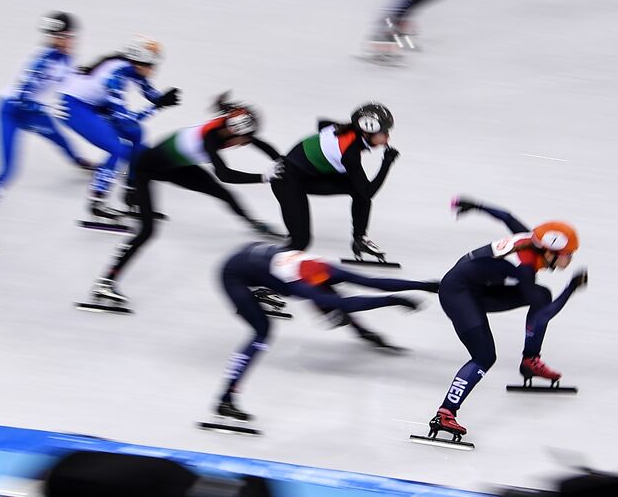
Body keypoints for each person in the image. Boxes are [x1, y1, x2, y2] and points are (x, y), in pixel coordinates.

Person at [88, 93, 283, 309]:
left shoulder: (231, 125)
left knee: (225, 195)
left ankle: (254, 224)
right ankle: (105, 283)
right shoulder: (211, 138)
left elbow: (259, 142)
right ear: (232, 131)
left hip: (177, 165)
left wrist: (281, 162)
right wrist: (264, 177)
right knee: (147, 232)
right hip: (148, 169)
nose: (245, 143)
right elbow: (225, 174)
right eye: (244, 139)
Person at [211, 242, 438, 425]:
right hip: (234, 274)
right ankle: (226, 398)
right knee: (263, 332)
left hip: (260, 257)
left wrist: (423, 285)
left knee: (334, 306)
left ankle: (362, 333)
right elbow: (343, 303)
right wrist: (393, 300)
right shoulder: (300, 285)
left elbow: (372, 282)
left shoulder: (326, 269)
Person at [426, 196, 586, 442]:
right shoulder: (525, 269)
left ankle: (530, 361)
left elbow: (506, 216)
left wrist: (473, 204)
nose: (570, 259)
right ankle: (445, 412)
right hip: (458, 295)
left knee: (541, 295)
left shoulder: (530, 238)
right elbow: (543, 316)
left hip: (476, 287)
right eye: (567, 254)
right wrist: (571, 288)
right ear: (548, 251)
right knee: (484, 356)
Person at [0, 12, 93, 245]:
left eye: (68, 36)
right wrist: (43, 109)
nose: (66, 41)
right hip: (10, 111)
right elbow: (21, 97)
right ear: (52, 37)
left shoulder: (66, 59)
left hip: (33, 111)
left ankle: (80, 162)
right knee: (7, 170)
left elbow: (69, 83)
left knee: (59, 137)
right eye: (60, 37)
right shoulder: (43, 60)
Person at [60, 35, 181, 222]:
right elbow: (124, 120)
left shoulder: (132, 67)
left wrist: (161, 98)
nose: (153, 69)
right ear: (138, 62)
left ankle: (131, 193)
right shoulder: (115, 76)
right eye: (151, 65)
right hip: (73, 106)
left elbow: (148, 91)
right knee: (117, 148)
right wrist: (157, 106)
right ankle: (96, 202)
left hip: (93, 104)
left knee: (138, 135)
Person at [272, 102, 399, 258]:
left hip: (308, 174)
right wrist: (386, 164)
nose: (388, 137)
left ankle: (360, 240)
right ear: (366, 133)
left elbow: (322, 123)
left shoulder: (348, 129)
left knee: (357, 191)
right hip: (286, 181)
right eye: (384, 132)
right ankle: (264, 262)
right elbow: (368, 192)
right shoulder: (350, 154)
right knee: (300, 242)